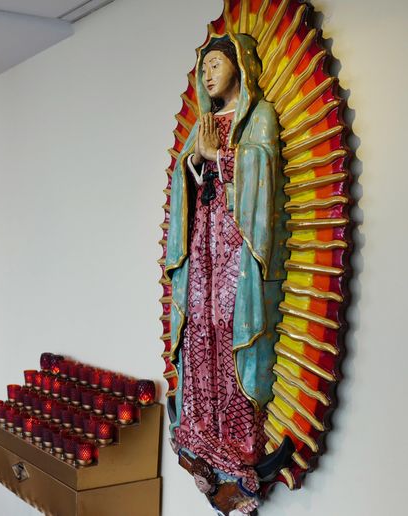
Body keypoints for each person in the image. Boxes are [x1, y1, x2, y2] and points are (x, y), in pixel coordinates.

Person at [165, 33, 289, 493]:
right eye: (204, 68)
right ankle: (200, 427)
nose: (208, 74)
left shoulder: (259, 116)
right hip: (203, 243)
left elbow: (262, 166)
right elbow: (188, 179)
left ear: (238, 64)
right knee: (200, 323)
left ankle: (238, 437)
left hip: (236, 244)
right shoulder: (204, 124)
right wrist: (195, 163)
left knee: (229, 322)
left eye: (216, 63)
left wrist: (220, 156)